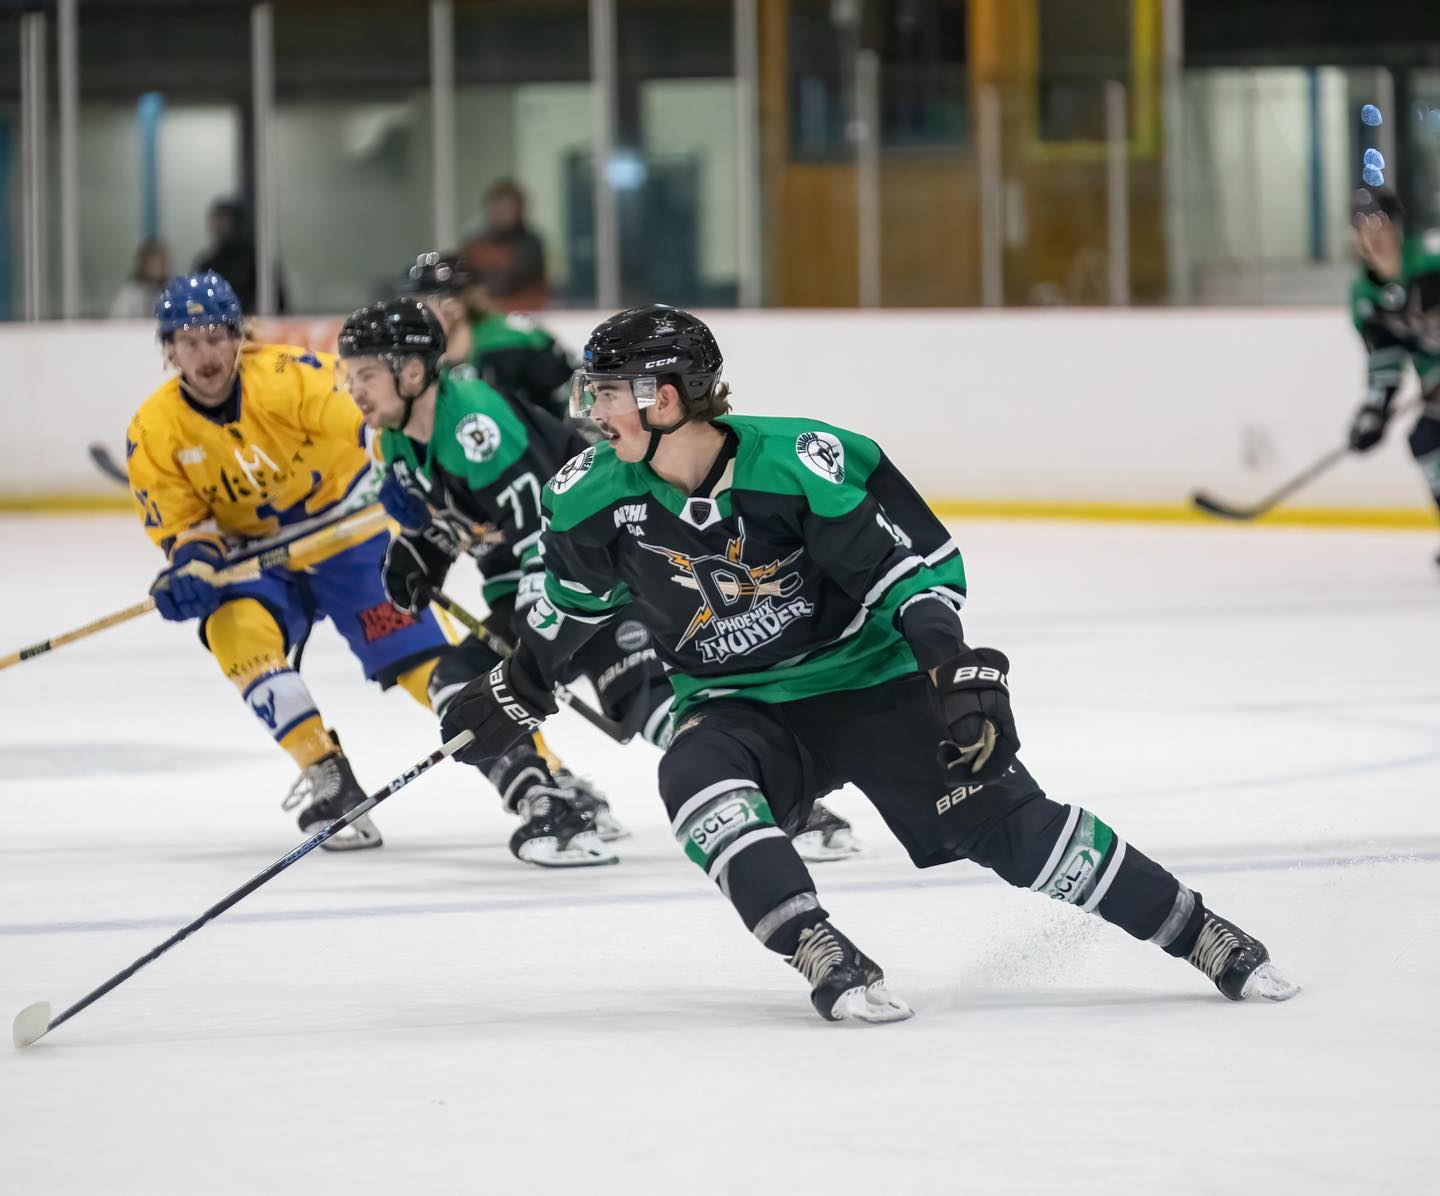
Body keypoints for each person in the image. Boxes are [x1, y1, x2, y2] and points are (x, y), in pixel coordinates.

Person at [436, 304, 1301, 1022]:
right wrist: (516, 686)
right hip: (742, 705)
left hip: (870, 679)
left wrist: (954, 674)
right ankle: (819, 947)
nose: (596, 409)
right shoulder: (591, 494)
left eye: (613, 392)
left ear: (668, 397)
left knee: (1012, 831)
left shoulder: (799, 464)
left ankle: (1203, 933)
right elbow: (571, 612)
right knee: (695, 779)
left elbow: (905, 582)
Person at [337, 297, 860, 866]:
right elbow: (454, 521)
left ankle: (793, 806)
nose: (355, 389)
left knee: (643, 696)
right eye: (351, 375)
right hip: (532, 588)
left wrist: (540, 638)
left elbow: (548, 534)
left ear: (411, 372)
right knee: (463, 685)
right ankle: (545, 800)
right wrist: (420, 551)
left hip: (606, 572)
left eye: (366, 374)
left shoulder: (474, 424)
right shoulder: (388, 440)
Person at [125, 273, 452, 849]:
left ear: (238, 336)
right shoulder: (153, 429)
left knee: (423, 662)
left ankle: (534, 774)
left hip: (348, 538)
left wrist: (409, 478)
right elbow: (186, 526)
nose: (205, 354)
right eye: (188, 340)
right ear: (167, 349)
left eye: (215, 335)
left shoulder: (295, 378)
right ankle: (326, 775)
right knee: (233, 629)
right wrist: (191, 566)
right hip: (261, 561)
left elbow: (379, 432)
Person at [1346, 186, 1440, 558]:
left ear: (1397, 225)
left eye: (1379, 221)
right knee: (1427, 441)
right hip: (1435, 382)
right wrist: (1374, 410)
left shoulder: (1432, 257)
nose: (1371, 232)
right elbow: (1385, 358)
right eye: (1361, 224)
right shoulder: (1365, 296)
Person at [399, 251, 572, 423]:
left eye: (424, 302)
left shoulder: (513, 345)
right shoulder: (417, 359)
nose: (415, 313)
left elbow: (568, 400)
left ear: (455, 306)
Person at [460, 180, 548, 311]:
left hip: (523, 314)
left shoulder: (531, 245)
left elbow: (531, 290)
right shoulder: (475, 246)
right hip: (482, 316)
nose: (501, 211)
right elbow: (465, 284)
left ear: (519, 208)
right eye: (497, 205)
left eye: (507, 206)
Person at [193, 198, 285, 314]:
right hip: (216, 328)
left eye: (225, 219)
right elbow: (196, 305)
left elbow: (276, 300)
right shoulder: (207, 265)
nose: (220, 226)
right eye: (217, 220)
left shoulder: (256, 260)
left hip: (253, 326)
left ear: (235, 223)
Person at [109, 238, 170, 318]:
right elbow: (116, 322)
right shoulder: (129, 293)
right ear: (143, 264)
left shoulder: (169, 293)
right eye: (152, 263)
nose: (156, 267)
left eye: (159, 263)